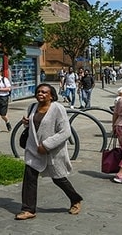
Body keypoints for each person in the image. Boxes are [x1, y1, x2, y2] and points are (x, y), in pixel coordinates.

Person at [14, 83, 83, 220]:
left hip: (53, 152)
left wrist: (47, 145)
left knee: (58, 178)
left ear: (51, 96)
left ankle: (75, 199)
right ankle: (28, 209)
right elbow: (35, 127)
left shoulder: (58, 108)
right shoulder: (32, 107)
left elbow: (65, 132)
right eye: (39, 91)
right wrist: (26, 122)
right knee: (29, 178)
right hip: (33, 149)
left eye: (45, 92)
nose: (41, 94)